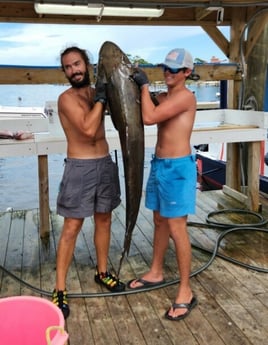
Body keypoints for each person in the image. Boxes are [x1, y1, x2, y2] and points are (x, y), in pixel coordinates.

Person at [52, 46, 125, 319]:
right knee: (72, 227)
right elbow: (87, 128)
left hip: (104, 162)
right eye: (68, 67)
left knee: (104, 219)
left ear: (87, 64)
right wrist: (102, 99)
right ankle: (60, 288)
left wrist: (133, 83)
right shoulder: (66, 99)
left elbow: (127, 113)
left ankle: (102, 272)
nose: (74, 70)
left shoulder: (97, 93)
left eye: (77, 64)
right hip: (79, 167)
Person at [128, 48, 198, 321]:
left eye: (174, 69)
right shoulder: (165, 97)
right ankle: (156, 272)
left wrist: (144, 84)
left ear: (187, 73)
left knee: (177, 228)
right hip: (159, 165)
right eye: (165, 68)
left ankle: (186, 291)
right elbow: (143, 104)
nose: (167, 73)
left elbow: (149, 118)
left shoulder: (185, 97)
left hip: (178, 168)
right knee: (159, 221)